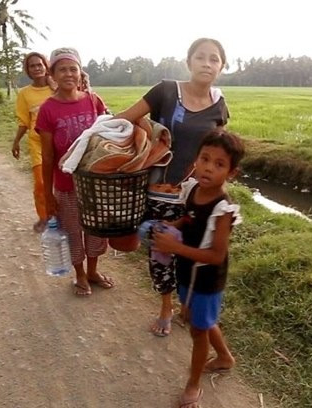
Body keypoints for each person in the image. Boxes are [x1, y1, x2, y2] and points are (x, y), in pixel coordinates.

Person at [115, 38, 229, 336]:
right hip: (159, 191)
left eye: (214, 59)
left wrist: (220, 192)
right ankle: (166, 306)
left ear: (221, 67)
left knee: (192, 251)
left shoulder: (219, 104)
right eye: (200, 57)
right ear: (189, 61)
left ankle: (186, 303)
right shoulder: (165, 91)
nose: (207, 63)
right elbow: (125, 119)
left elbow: (220, 150)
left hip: (197, 195)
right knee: (162, 252)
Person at [154, 129, 244, 408]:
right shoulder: (193, 189)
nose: (208, 168)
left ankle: (193, 384)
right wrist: (173, 226)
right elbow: (189, 218)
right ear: (196, 159)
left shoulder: (223, 210)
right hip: (187, 272)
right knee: (201, 320)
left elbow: (217, 255)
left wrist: (175, 247)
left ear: (231, 173)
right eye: (204, 159)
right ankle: (225, 358)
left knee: (198, 331)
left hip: (206, 280)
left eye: (219, 164)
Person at [35, 47, 114, 296]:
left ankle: (93, 271)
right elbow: (48, 157)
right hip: (66, 185)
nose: (68, 74)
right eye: (62, 70)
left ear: (80, 72)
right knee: (72, 231)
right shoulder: (48, 109)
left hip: (94, 184)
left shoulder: (93, 100)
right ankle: (79, 275)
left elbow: (107, 137)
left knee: (95, 230)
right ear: (52, 75)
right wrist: (48, 194)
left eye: (73, 69)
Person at [12, 52, 56, 232]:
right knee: (40, 183)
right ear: (27, 70)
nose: (37, 68)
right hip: (37, 144)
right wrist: (16, 142)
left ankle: (63, 217)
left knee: (62, 183)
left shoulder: (56, 88)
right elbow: (24, 121)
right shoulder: (25, 94)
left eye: (40, 64)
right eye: (32, 66)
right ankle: (44, 217)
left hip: (59, 142)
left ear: (46, 66)